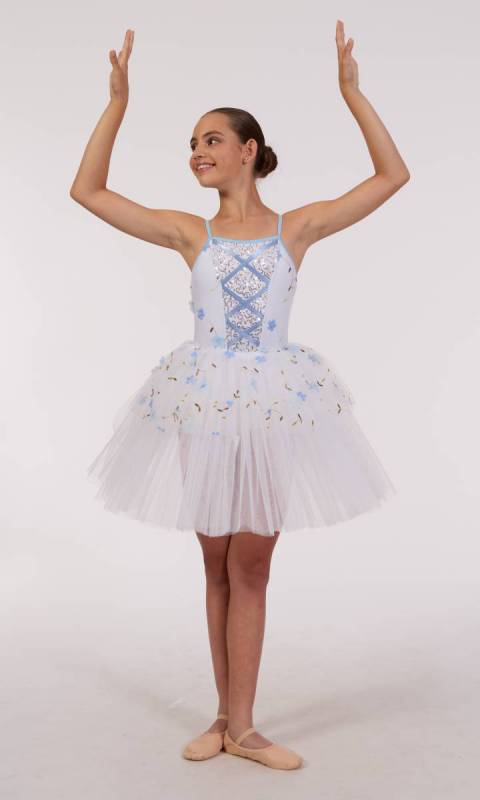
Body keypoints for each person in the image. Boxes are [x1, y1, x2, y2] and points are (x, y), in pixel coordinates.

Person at [70, 21, 409, 770]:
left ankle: (246, 728)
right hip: (203, 402)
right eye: (193, 143)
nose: (198, 151)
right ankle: (225, 717)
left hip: (274, 402)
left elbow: (392, 177)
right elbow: (86, 191)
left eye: (212, 139)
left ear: (249, 150)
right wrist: (117, 104)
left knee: (252, 564)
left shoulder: (296, 229)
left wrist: (352, 94)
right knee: (216, 562)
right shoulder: (190, 233)